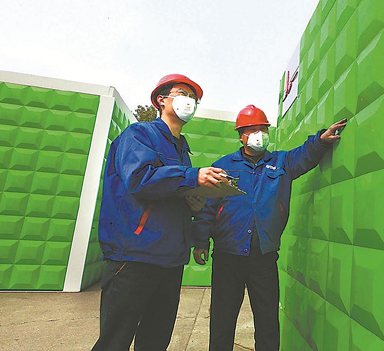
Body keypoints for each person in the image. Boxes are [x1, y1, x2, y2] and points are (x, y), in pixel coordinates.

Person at [192, 104, 347, 351]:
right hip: (227, 257)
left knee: (267, 322)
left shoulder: (282, 162)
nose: (259, 134)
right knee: (222, 319)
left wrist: (320, 141)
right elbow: (208, 208)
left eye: (263, 129)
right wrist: (200, 242)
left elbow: (305, 154)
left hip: (264, 258)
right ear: (241, 135)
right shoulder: (223, 166)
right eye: (252, 129)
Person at [92, 74, 226, 351]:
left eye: (193, 98)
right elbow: (139, 178)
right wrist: (192, 177)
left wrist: (192, 202)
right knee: (115, 341)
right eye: (182, 93)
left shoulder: (182, 150)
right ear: (161, 100)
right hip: (134, 256)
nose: (189, 101)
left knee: (155, 340)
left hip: (170, 260)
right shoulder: (139, 135)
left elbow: (169, 191)